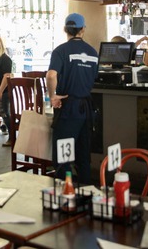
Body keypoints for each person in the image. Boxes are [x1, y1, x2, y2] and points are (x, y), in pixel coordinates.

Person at [46, 13, 99, 182]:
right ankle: (86, 193)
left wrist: (52, 96)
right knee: (83, 155)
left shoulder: (61, 51)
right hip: (86, 110)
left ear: (65, 29)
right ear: (83, 29)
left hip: (67, 108)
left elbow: (51, 75)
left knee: (64, 156)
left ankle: (65, 192)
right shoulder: (92, 52)